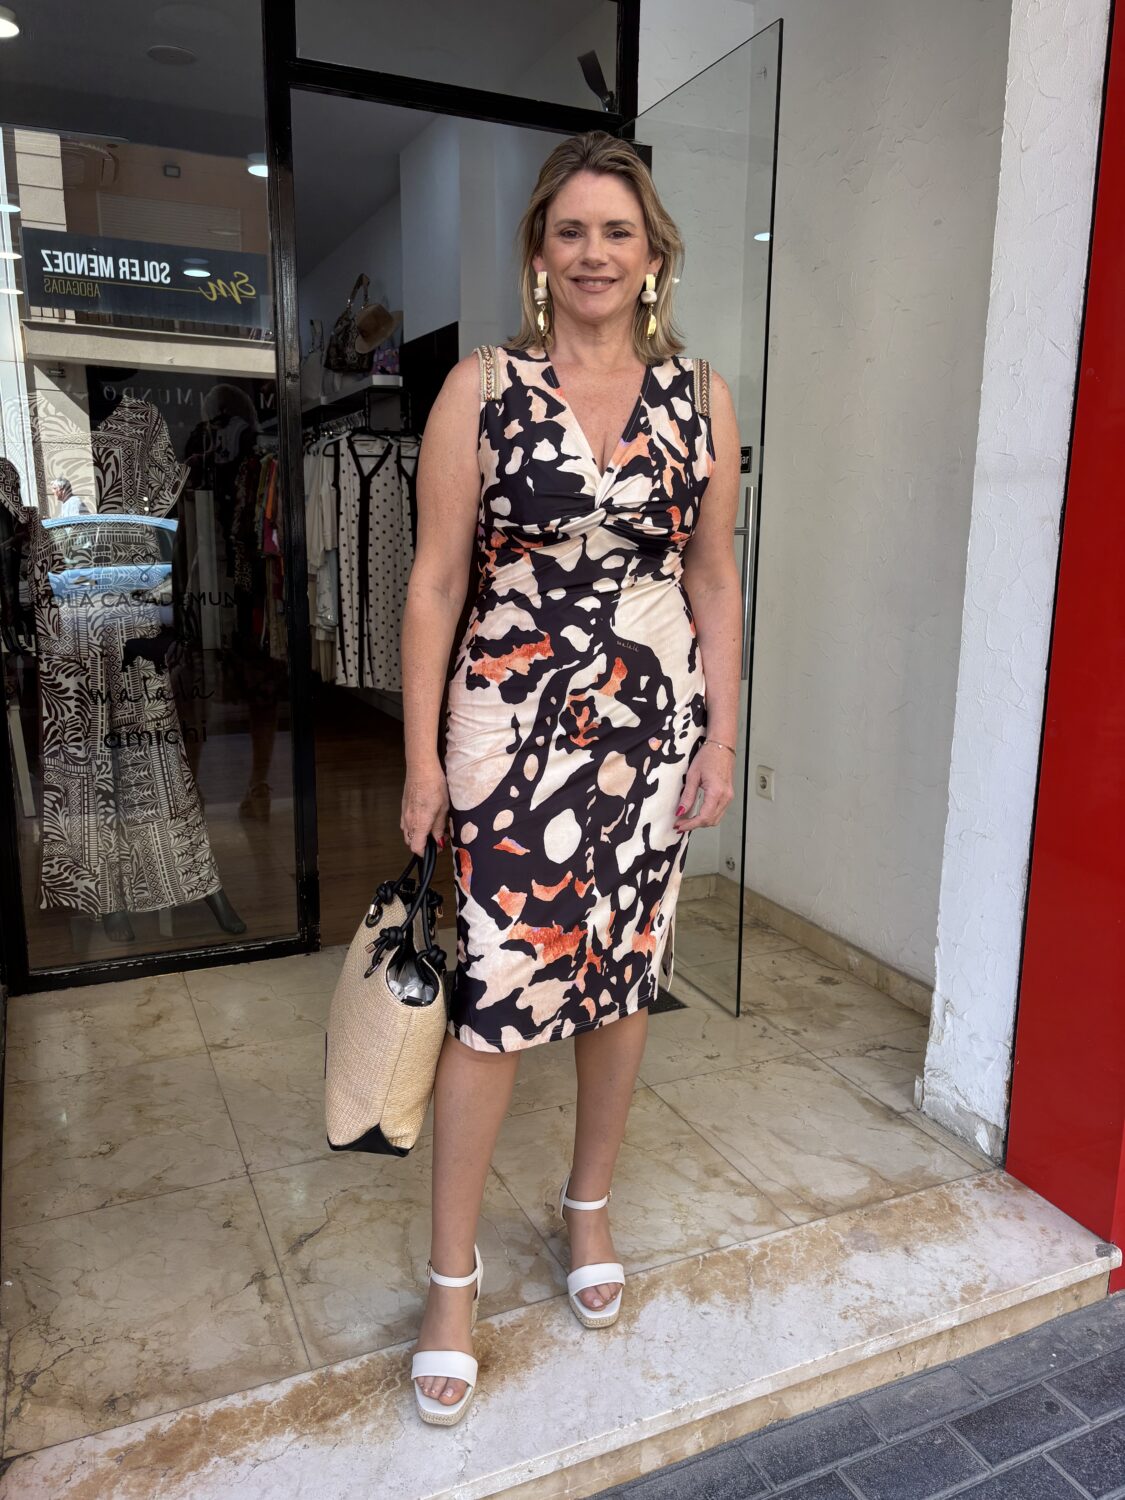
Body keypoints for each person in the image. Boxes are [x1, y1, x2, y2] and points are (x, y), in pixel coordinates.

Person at [399, 130, 742, 1426]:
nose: (594, 254)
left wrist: (720, 734)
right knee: (497, 994)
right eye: (570, 232)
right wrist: (420, 757)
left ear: (653, 255)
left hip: (651, 725)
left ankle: (585, 1208)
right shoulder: (479, 391)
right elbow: (435, 580)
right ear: (538, 254)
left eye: (617, 232)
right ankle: (451, 1282)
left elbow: (712, 576)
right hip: (507, 725)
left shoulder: (699, 396)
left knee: (622, 976)